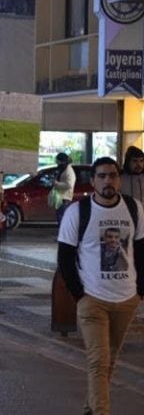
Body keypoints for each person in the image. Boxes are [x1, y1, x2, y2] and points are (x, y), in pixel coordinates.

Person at [58, 157, 144, 415]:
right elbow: (65, 257)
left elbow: (141, 251)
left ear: (119, 179)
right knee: (98, 361)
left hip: (126, 298)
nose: (108, 180)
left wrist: (140, 290)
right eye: (102, 176)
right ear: (93, 180)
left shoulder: (134, 208)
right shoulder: (78, 211)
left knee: (110, 361)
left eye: (113, 175)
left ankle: (90, 407)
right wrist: (79, 295)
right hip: (92, 299)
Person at [53, 152, 76, 224]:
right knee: (60, 216)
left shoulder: (69, 171)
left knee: (62, 217)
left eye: (58, 161)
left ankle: (63, 234)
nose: (57, 163)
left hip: (65, 198)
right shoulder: (63, 169)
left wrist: (57, 184)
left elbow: (69, 185)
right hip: (61, 197)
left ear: (62, 161)